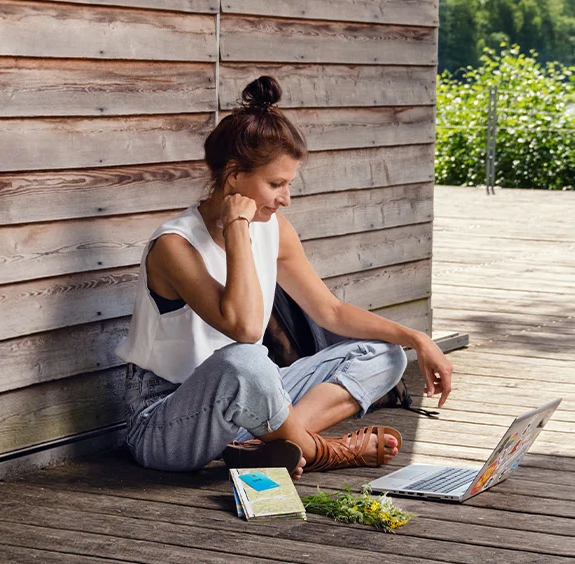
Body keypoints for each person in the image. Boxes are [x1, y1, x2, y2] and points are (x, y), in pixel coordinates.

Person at [117, 76, 455, 476]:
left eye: (288, 184)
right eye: (275, 184)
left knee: (385, 352)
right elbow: (242, 328)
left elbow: (329, 310)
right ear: (233, 176)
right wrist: (236, 227)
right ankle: (318, 448)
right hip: (166, 420)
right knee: (247, 360)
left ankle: (259, 445)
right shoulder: (174, 246)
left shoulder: (275, 228)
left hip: (252, 398)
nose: (285, 198)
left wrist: (416, 338)